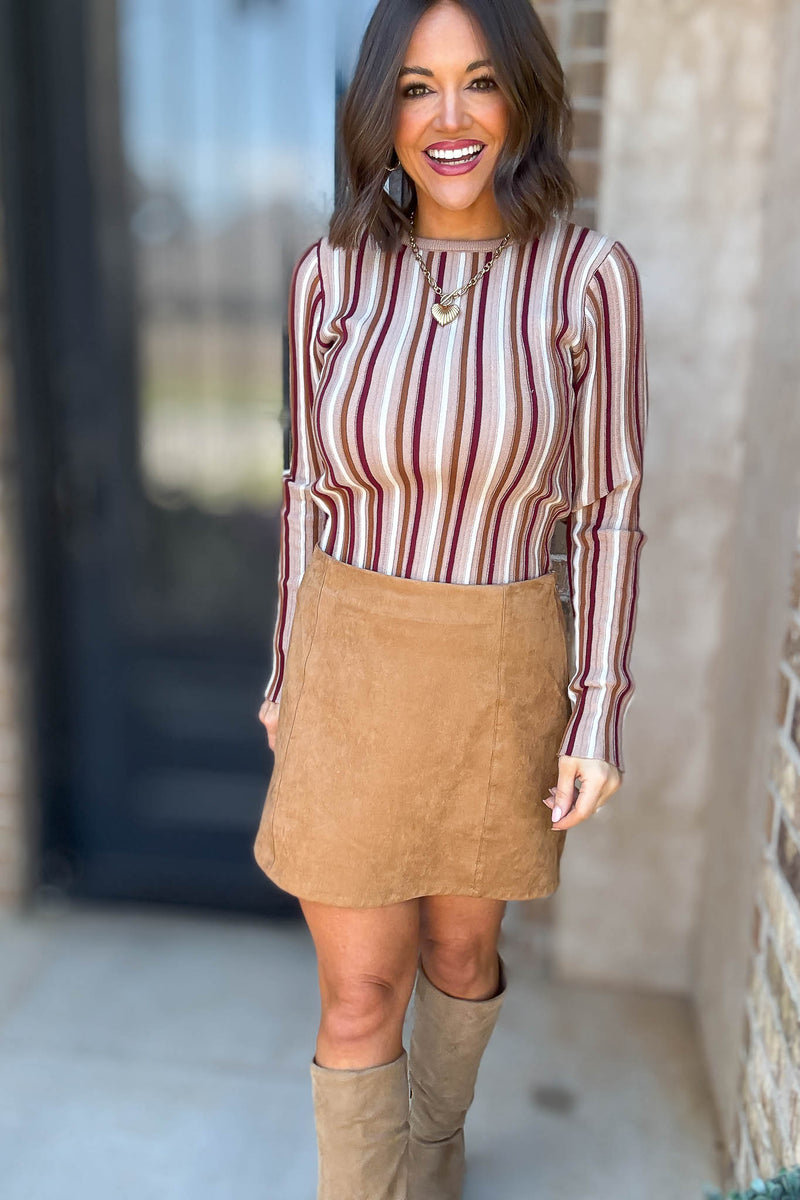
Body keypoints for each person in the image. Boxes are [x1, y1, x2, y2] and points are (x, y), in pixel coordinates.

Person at [254, 0, 649, 1196]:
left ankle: (433, 1153)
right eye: (417, 88)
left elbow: (610, 506)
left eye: (477, 82)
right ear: (382, 113)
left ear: (522, 97)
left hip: (498, 669)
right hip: (350, 664)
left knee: (460, 952)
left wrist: (596, 709)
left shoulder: (588, 279)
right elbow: (304, 492)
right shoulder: (328, 281)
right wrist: (284, 673)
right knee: (358, 988)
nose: (449, 117)